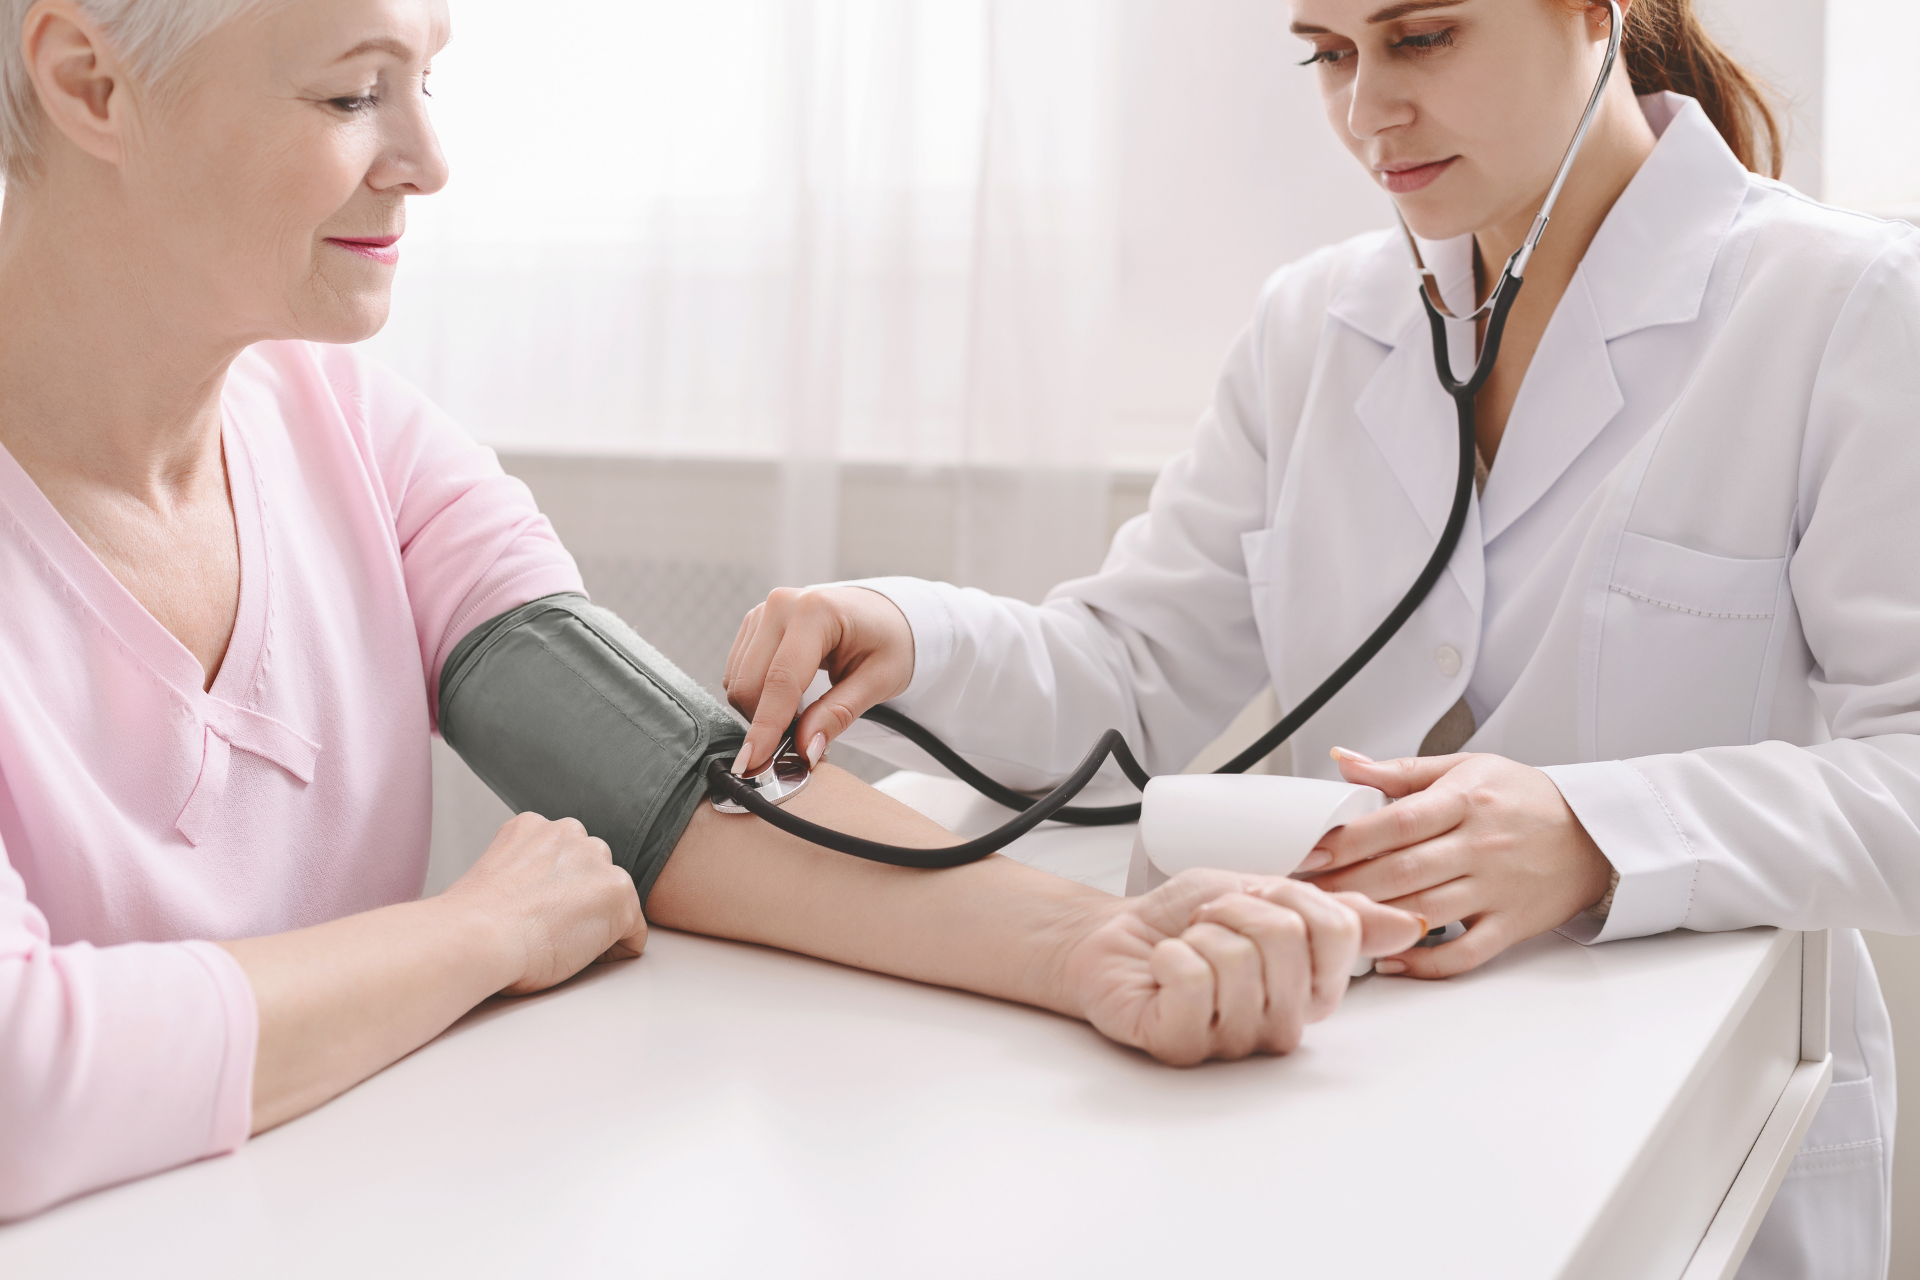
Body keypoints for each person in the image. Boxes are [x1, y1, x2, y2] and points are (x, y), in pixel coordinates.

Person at [0, 0, 1429, 1222]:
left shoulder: (352, 434)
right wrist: (475, 933)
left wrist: (1086, 947)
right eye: (353, 91)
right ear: (89, 82)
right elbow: (24, 1078)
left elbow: (661, 787)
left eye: (428, 83)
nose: (429, 161)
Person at [724, 0, 1920, 1275]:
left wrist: (1590, 834)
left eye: (1421, 39)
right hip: (1330, 1088)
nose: (1366, 114)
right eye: (1329, 54)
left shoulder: (1841, 307)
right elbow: (1131, 676)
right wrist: (911, 629)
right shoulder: (1316, 325)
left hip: (1691, 1120)